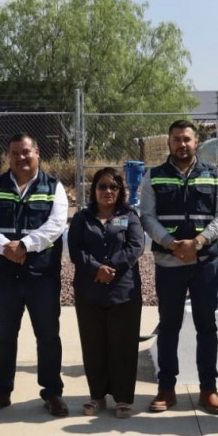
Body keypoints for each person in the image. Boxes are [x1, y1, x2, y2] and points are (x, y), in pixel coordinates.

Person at [141, 120, 218, 416]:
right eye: (176, 139)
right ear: (169, 143)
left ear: (196, 142)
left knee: (207, 326)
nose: (182, 144)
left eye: (187, 139)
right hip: (169, 264)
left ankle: (209, 390)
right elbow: (147, 216)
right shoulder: (153, 176)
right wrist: (170, 243)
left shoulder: (214, 174)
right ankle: (166, 389)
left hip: (204, 264)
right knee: (169, 326)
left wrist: (199, 242)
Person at [0, 133, 69, 416]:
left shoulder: (54, 187)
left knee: (48, 336)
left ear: (37, 153)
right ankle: (0, 392)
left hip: (42, 276)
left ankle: (52, 393)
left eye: (26, 152)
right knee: (4, 335)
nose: (21, 158)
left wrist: (25, 245)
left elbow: (57, 224)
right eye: (15, 153)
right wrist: (5, 247)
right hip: (5, 275)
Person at [68, 167, 144, 418]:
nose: (108, 191)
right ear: (94, 190)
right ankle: (97, 396)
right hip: (89, 292)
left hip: (123, 293)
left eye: (114, 186)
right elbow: (76, 249)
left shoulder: (129, 216)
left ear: (121, 191)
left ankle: (123, 399)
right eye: (102, 186)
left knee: (123, 346)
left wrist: (110, 267)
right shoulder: (82, 218)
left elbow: (135, 247)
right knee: (93, 345)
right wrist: (96, 268)